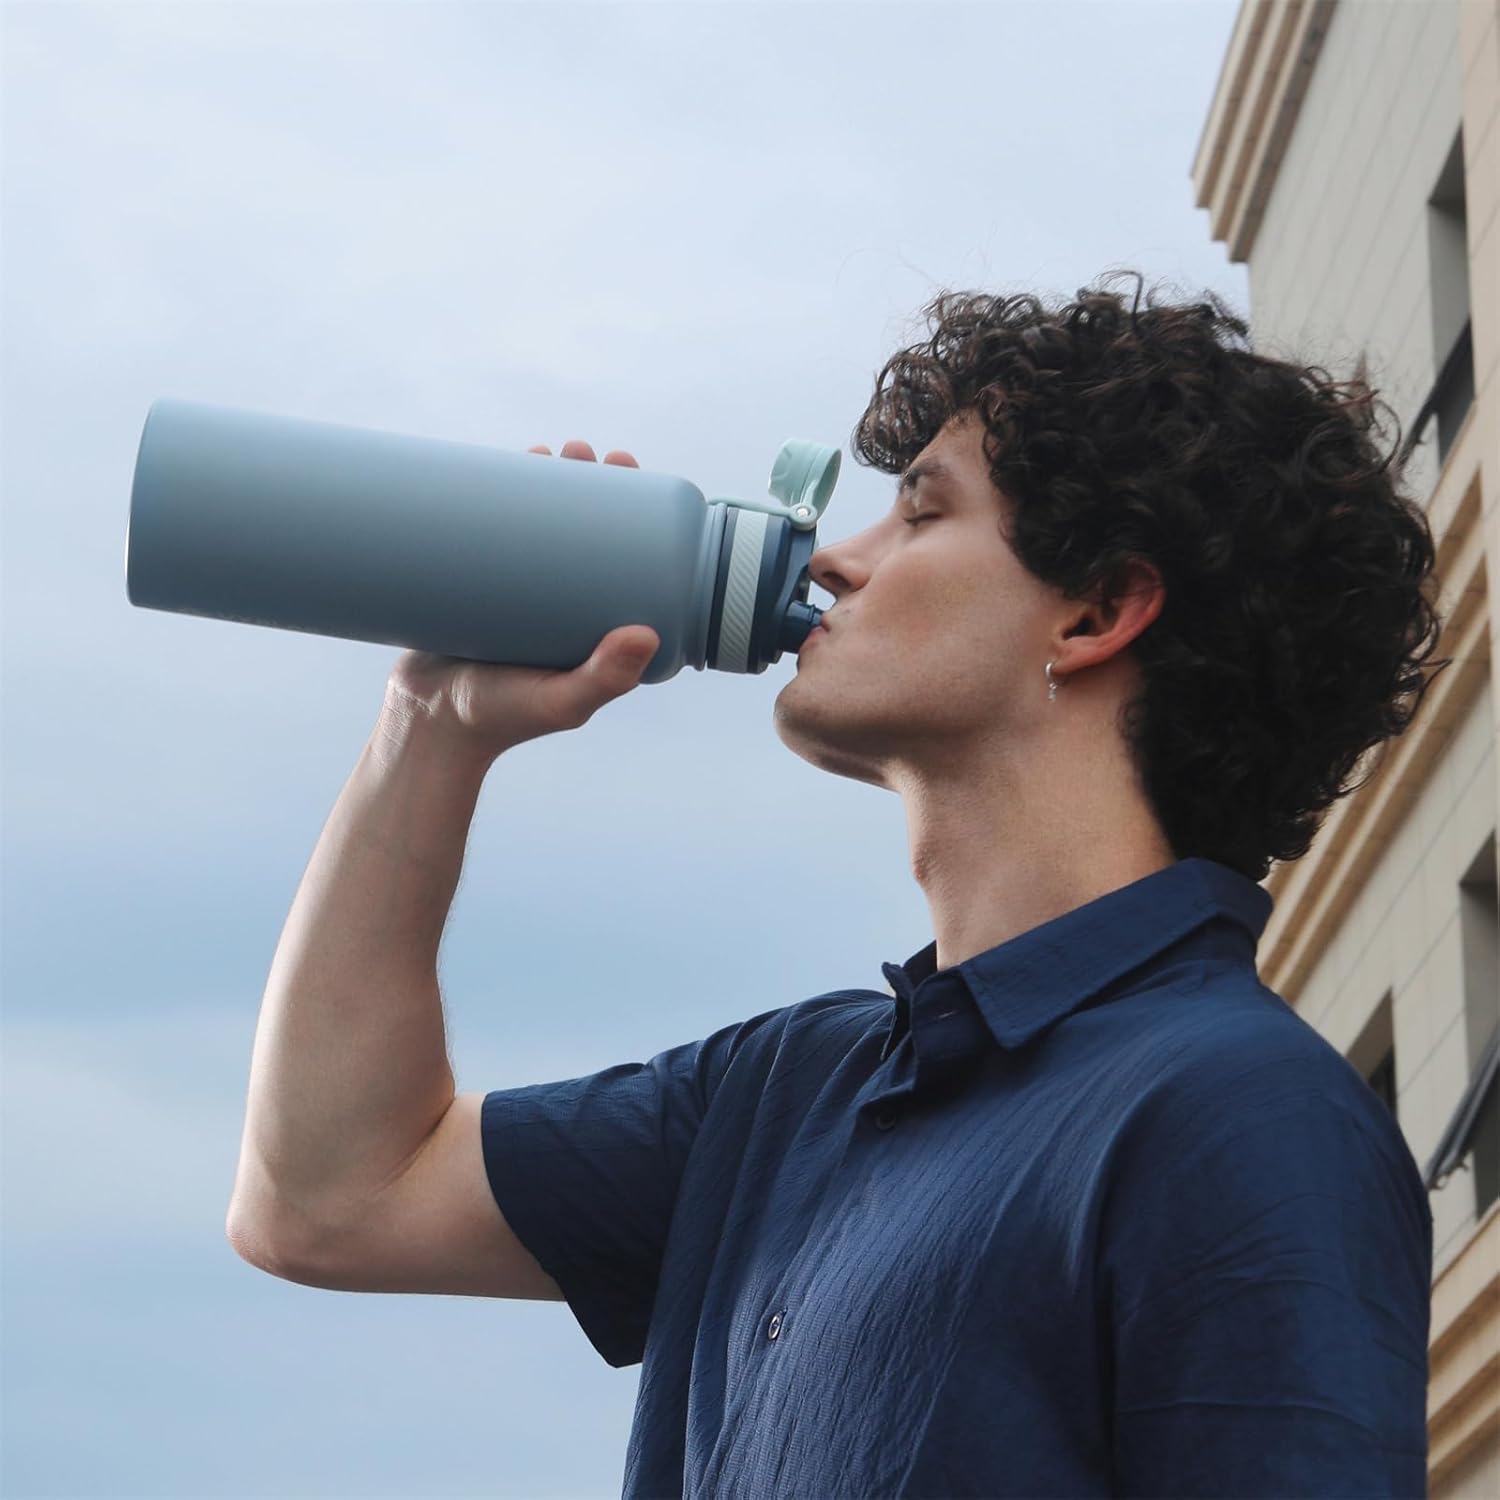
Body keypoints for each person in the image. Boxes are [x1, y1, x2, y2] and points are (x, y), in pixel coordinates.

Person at [227, 270, 1449, 1498]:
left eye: (920, 514)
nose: (834, 564)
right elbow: (323, 1198)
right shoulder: (785, 1092)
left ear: (1097, 611)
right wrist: (432, 721)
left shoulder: (1237, 1116)